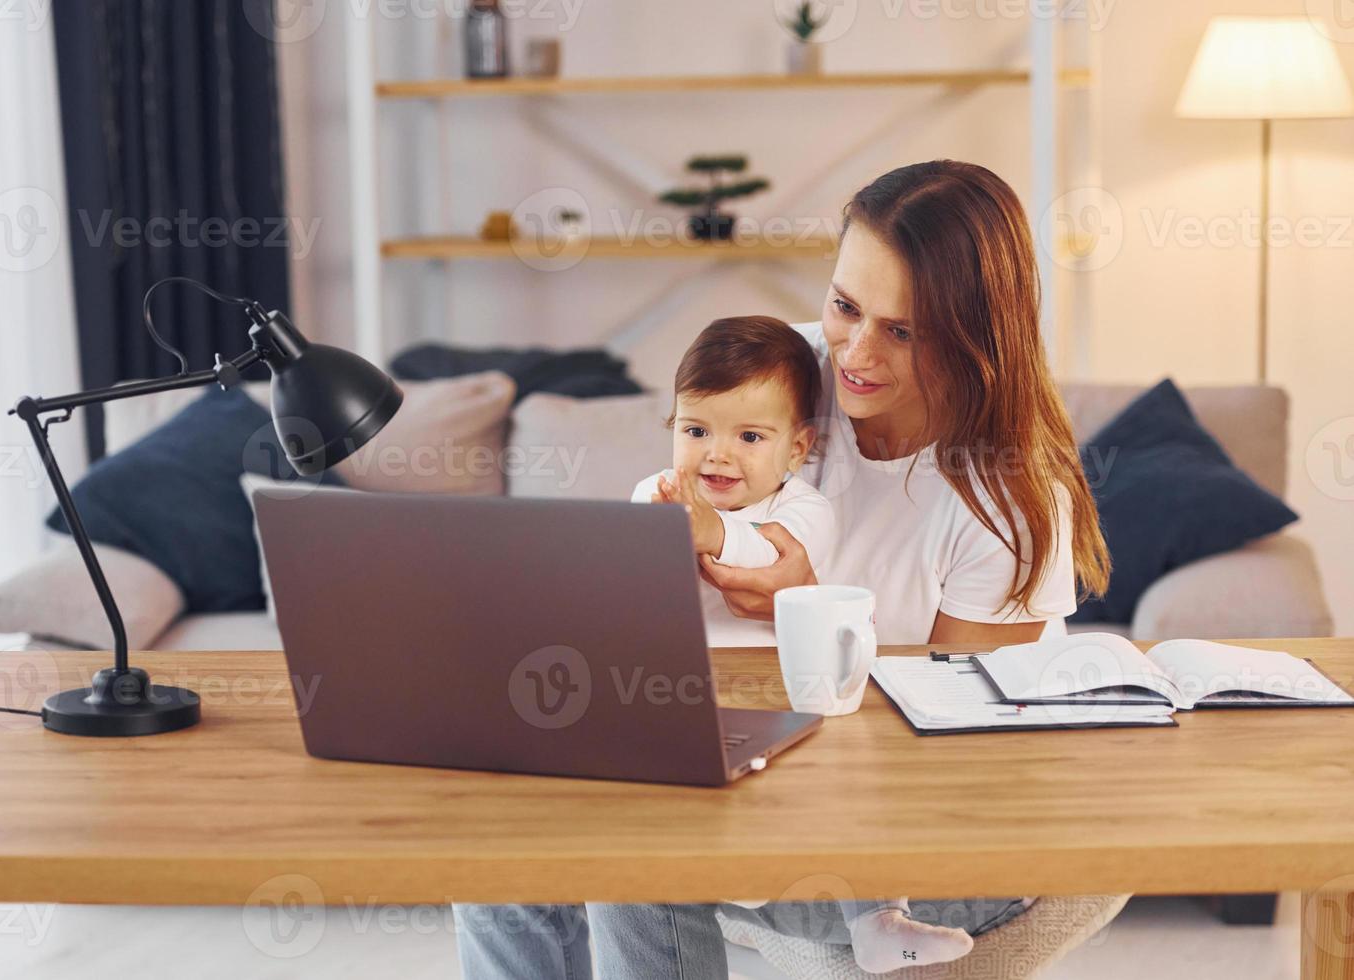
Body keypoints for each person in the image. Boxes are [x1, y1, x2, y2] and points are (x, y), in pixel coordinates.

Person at [453, 159, 1112, 980]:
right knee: (493, 826)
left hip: (914, 843)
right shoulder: (786, 378)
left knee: (640, 844)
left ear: (976, 335)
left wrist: (810, 622)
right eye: (844, 306)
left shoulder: (1010, 501)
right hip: (736, 756)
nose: (857, 355)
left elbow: (950, 757)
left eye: (903, 331)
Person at [632, 315, 834, 648]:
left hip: (769, 673)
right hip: (668, 663)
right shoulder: (658, 492)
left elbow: (771, 557)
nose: (718, 454)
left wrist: (712, 532)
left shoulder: (806, 509)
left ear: (796, 449)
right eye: (697, 432)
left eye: (750, 437)